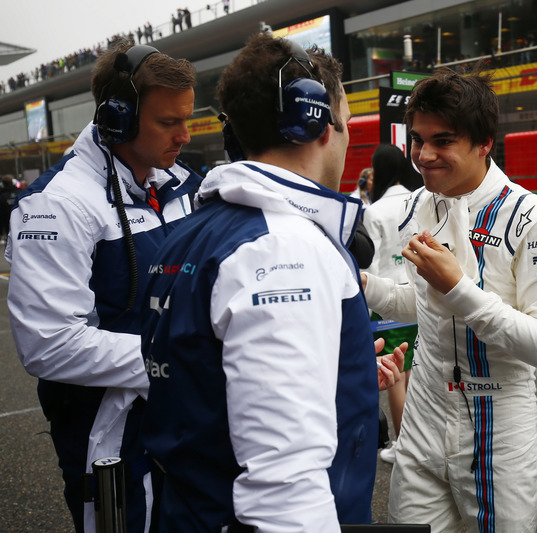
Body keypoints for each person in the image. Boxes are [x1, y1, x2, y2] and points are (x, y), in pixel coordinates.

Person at [139, 34, 406, 531]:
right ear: (317, 124)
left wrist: (338, 379)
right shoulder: (285, 248)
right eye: (345, 126)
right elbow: (284, 483)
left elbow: (211, 385)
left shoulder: (188, 234)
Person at [361, 67, 537, 532]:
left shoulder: (535, 218)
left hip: (499, 423)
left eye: (443, 141)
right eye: (418, 140)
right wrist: (359, 285)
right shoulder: (422, 204)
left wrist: (460, 290)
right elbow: (421, 304)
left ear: (484, 143)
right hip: (422, 413)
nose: (424, 155)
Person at [5, 42, 200, 532]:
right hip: (110, 442)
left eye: (186, 118)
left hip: (183, 426)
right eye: (167, 122)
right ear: (118, 118)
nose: (185, 133)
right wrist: (181, 361)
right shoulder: (57, 204)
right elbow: (49, 344)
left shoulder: (180, 182)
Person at [363, 144, 422, 465]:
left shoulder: (374, 211)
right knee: (412, 369)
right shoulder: (417, 200)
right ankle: (416, 439)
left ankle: (402, 444)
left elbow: (368, 265)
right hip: (417, 295)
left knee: (394, 371)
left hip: (386, 301)